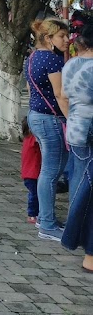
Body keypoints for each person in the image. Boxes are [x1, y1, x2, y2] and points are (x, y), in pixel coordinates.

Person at [26, 16, 70, 242]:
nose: (67, 40)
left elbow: (29, 88)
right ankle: (47, 223)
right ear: (48, 38)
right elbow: (60, 94)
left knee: (48, 171)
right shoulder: (52, 60)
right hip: (51, 118)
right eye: (62, 36)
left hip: (36, 115)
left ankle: (45, 218)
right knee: (51, 173)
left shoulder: (32, 57)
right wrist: (71, 120)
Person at [62, 18, 93, 271]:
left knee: (79, 184)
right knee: (88, 190)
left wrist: (72, 119)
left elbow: (63, 97)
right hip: (89, 131)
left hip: (75, 129)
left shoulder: (72, 64)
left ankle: (79, 236)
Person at [21, 116, 41, 225]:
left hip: (29, 173)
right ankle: (32, 214)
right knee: (35, 194)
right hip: (32, 174)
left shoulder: (27, 139)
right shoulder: (33, 138)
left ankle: (35, 213)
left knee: (34, 193)